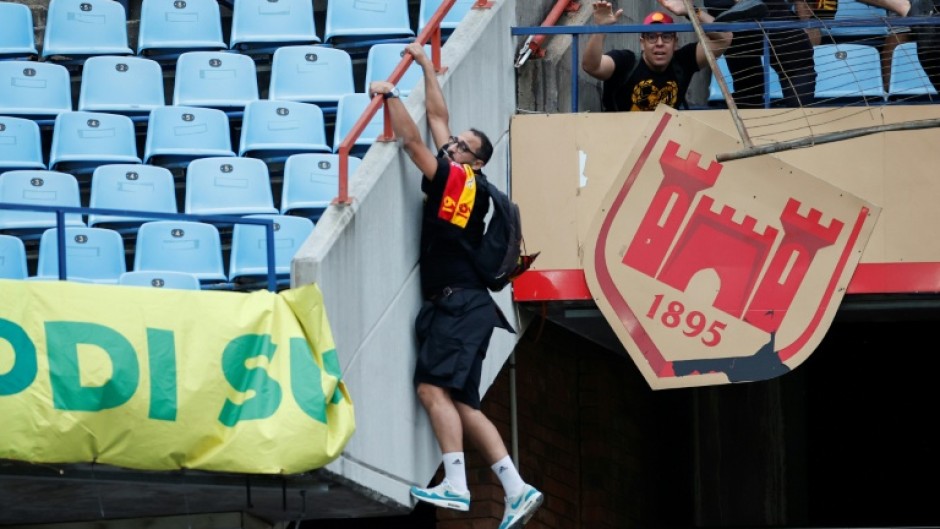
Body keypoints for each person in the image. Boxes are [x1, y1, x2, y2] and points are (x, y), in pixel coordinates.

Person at [368, 42, 544, 529]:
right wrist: (426, 66)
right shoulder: (467, 177)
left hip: (459, 307)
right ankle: (516, 487)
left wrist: (390, 96)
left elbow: (414, 145)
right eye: (456, 142)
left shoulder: (459, 185)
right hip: (470, 308)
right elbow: (439, 120)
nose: (451, 145)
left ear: (477, 163)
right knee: (461, 402)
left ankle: (458, 485)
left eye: (462, 147)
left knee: (431, 388)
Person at [581, 0, 732, 111]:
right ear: (642, 43)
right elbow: (591, 66)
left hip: (663, 142)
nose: (659, 43)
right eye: (652, 37)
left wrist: (691, 11)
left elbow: (724, 38)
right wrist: (600, 28)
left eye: (666, 37)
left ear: (675, 42)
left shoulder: (683, 62)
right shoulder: (626, 62)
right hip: (622, 140)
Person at [705, 0, 818, 108]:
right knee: (798, 65)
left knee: (748, 83)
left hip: (732, 23)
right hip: (763, 16)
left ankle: (750, 121)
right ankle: (799, 120)